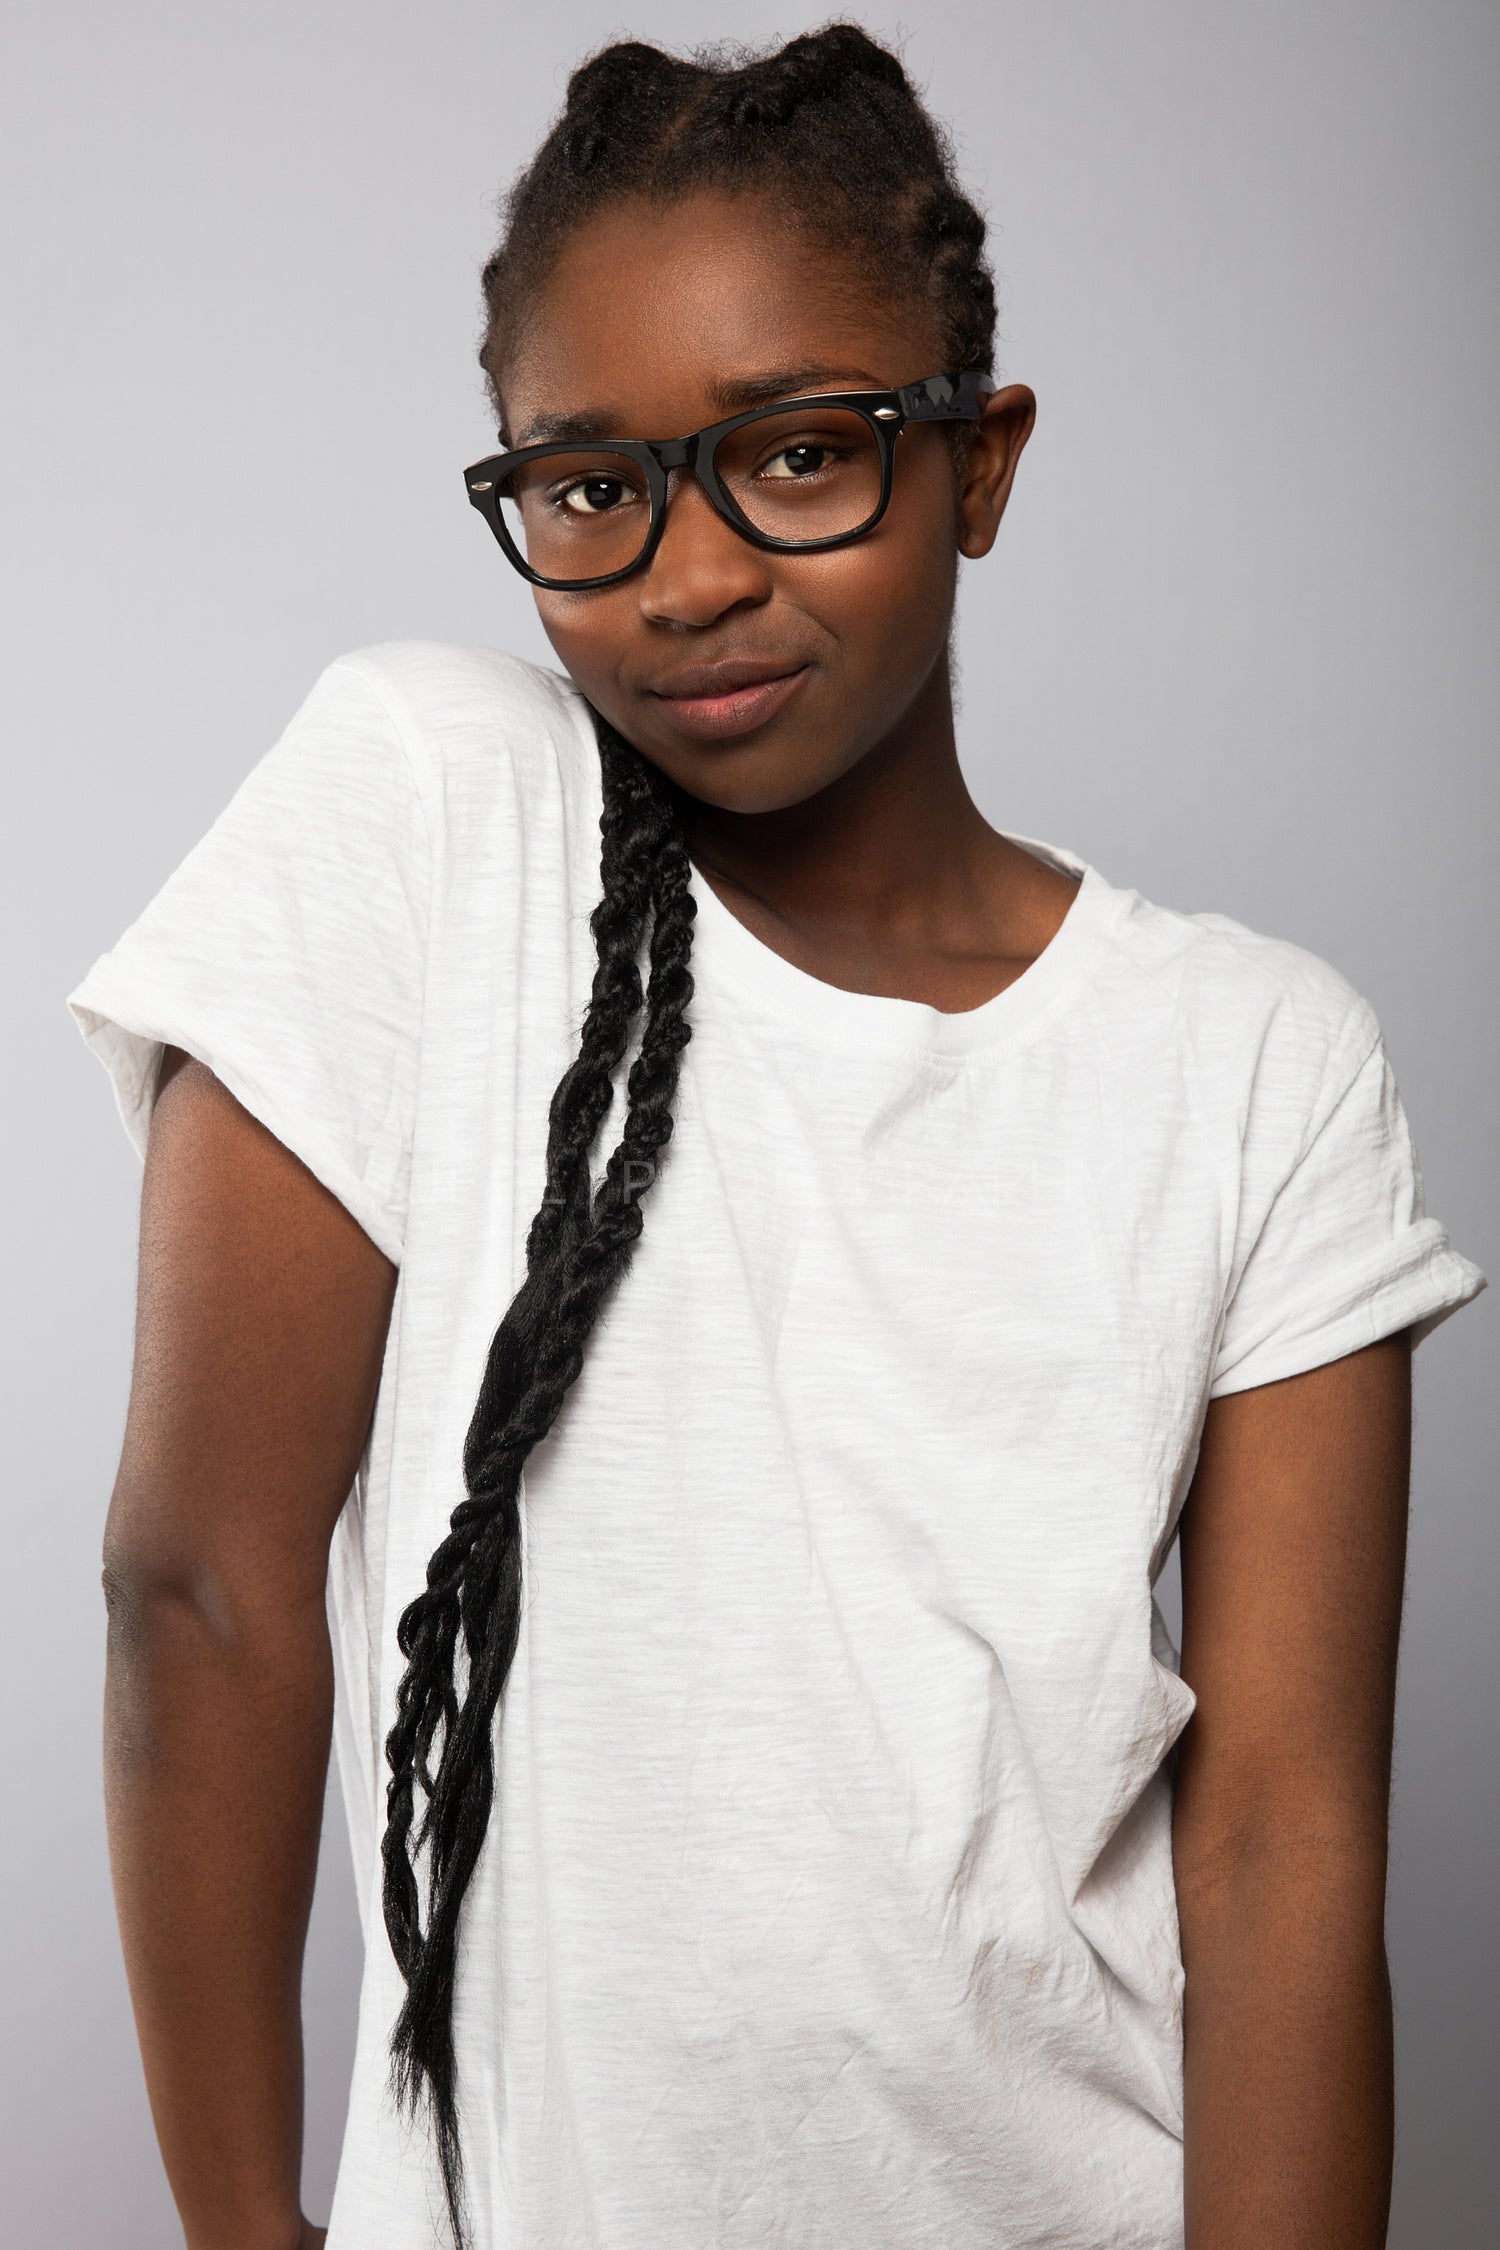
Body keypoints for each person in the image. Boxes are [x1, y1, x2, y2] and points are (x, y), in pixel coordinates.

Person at [70, 26, 1484, 2250]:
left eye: (798, 454)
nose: (687, 574)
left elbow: (1286, 1852)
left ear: (978, 461)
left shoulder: (1252, 1062)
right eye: (587, 483)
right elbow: (204, 1589)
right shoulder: (437, 819)